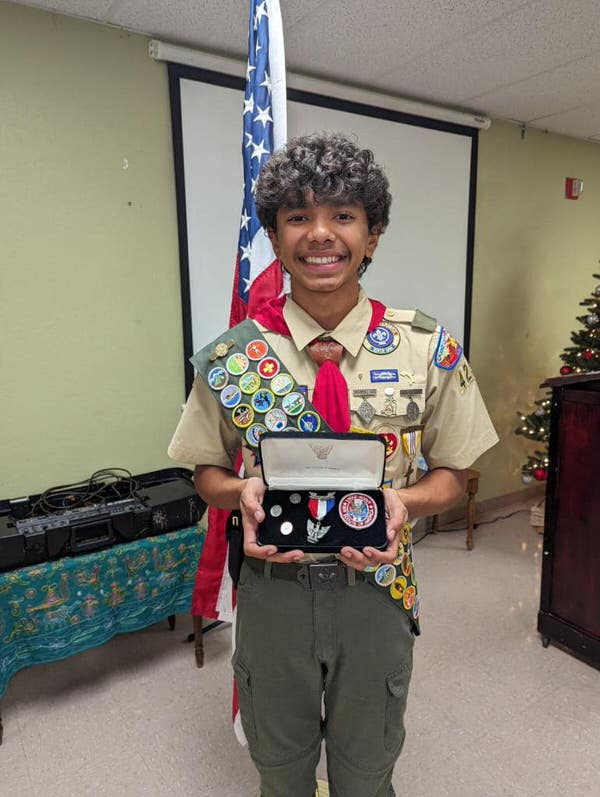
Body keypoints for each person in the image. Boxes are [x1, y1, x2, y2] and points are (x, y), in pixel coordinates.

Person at [168, 132, 498, 797]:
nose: (320, 233)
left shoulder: (424, 346)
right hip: (273, 593)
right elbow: (204, 472)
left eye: (343, 215)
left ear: (371, 236)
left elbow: (455, 474)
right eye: (298, 216)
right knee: (280, 770)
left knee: (367, 771)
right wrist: (240, 491)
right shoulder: (235, 358)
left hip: (376, 591)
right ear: (274, 236)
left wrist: (407, 502)